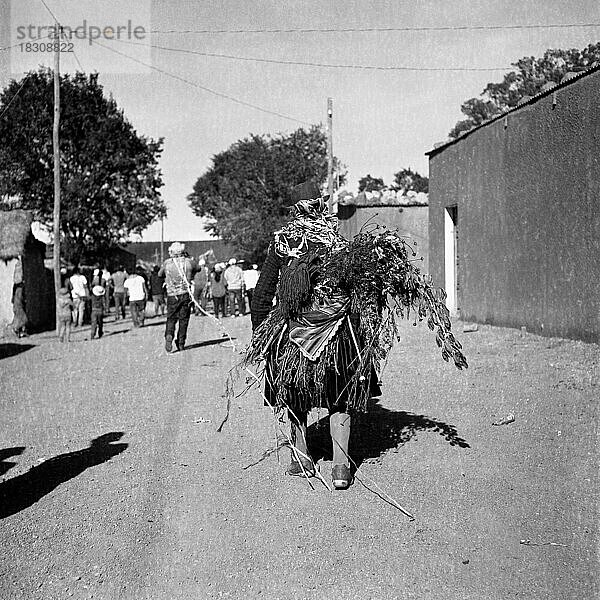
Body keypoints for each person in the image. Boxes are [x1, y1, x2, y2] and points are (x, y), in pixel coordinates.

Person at [245, 181, 468, 490]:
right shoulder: (334, 240)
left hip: (293, 330)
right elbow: (357, 290)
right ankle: (340, 469)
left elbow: (262, 296)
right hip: (335, 331)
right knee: (341, 397)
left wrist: (264, 335)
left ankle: (303, 459)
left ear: (295, 210)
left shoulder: (281, 244)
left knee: (294, 394)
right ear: (320, 205)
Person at [158, 242, 194, 353]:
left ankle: (169, 335)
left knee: (171, 318)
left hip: (172, 295)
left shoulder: (167, 263)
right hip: (185, 293)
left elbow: (160, 274)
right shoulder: (188, 262)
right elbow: (198, 268)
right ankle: (181, 343)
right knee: (184, 319)